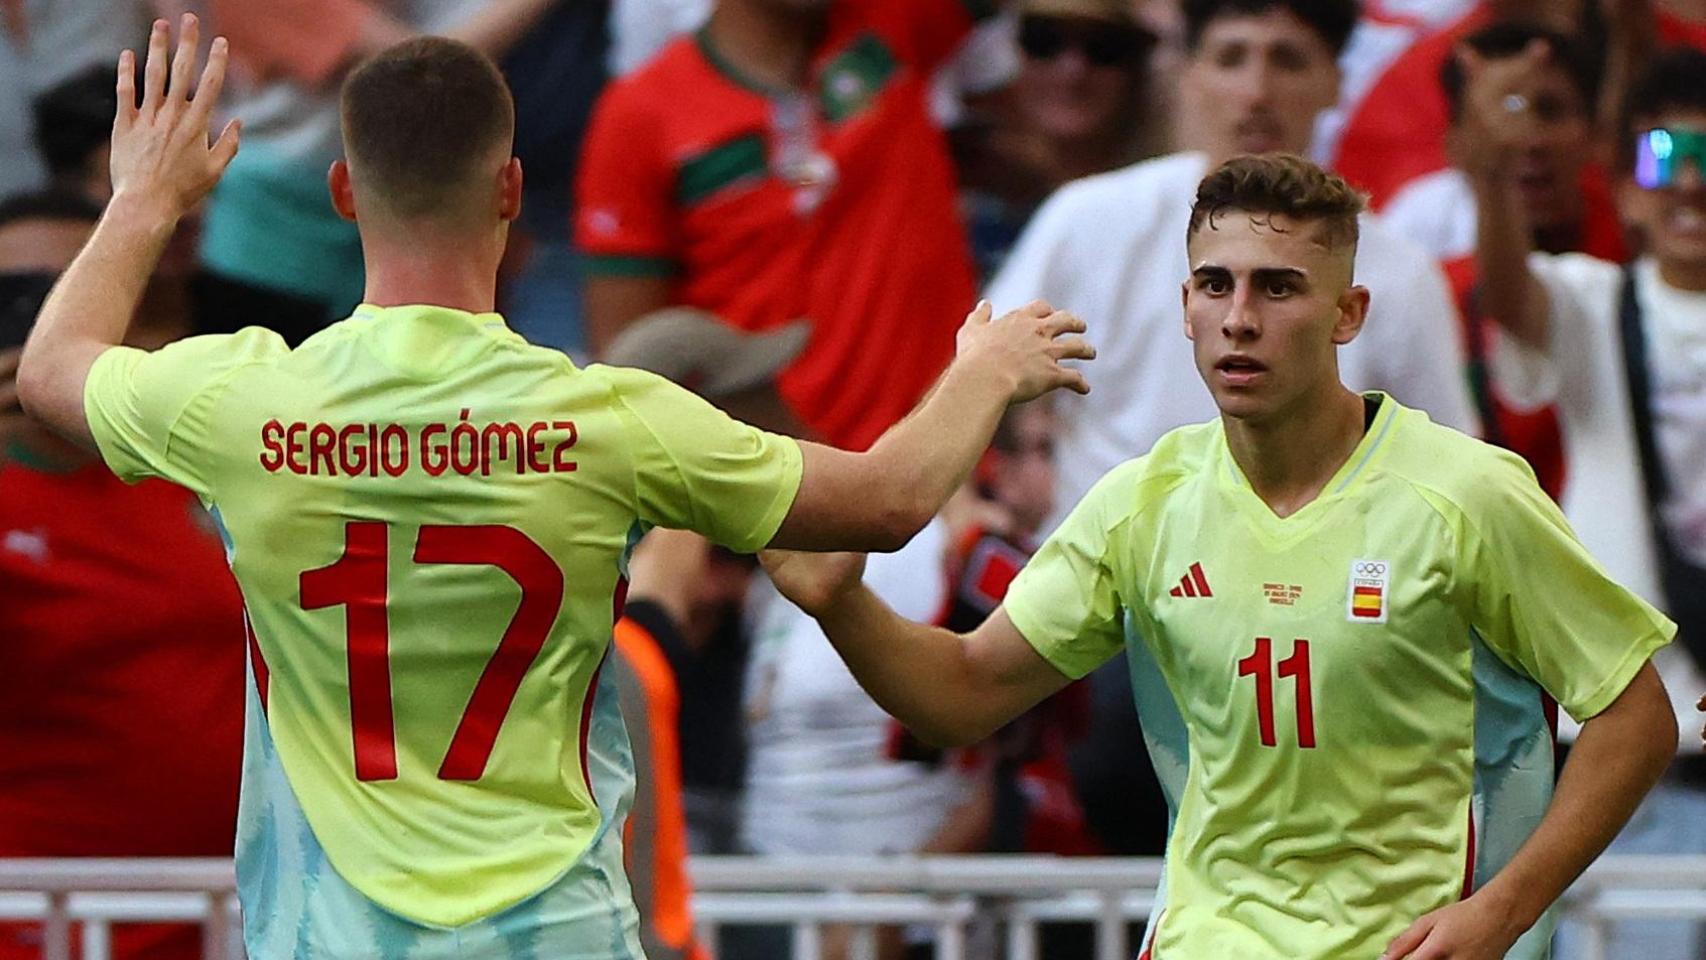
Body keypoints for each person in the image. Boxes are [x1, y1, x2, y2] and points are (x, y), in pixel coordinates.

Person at [14, 19, 1093, 959]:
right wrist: (983, 373)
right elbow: (889, 502)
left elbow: (51, 371)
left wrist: (146, 196)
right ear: (511, 189)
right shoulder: (602, 418)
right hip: (557, 934)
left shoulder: (241, 401)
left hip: (327, 938)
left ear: (342, 193)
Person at [764, 154, 1677, 960]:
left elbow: (1634, 717)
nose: (1239, 318)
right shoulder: (1142, 504)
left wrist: (1503, 911)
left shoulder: (1465, 494)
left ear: (1347, 314)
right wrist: (842, 604)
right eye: (1215, 285)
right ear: (1186, 306)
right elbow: (963, 692)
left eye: (1278, 288)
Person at [986, 0, 1478, 534]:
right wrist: (986, 481)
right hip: (1098, 565)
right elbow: (978, 368)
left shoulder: (1400, 274)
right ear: (1190, 73)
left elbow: (1451, 475)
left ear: (1335, 82)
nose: (1257, 92)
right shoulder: (1089, 218)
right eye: (1230, 58)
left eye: (1287, 61)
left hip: (1305, 584)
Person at [1470, 45, 1706, 958]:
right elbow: (1513, 298)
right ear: (1622, 186)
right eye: (1664, 159)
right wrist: (1493, 175)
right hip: (1630, 752)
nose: (1690, 186)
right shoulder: (1591, 298)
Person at [0, 189, 245, 960]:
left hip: (233, 918)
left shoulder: (207, 461)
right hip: (49, 923)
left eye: (76, 287)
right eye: (15, 298)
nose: (42, 321)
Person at [576, 0, 991, 450]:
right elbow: (635, 367)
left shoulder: (892, 21)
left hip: (954, 467)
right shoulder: (639, 114)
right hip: (784, 488)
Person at [1383, 22, 1620, 499]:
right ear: (1454, 146)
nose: (1525, 140)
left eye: (1549, 111)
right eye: (1500, 115)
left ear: (1595, 135)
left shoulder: (1646, 270)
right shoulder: (1432, 294)